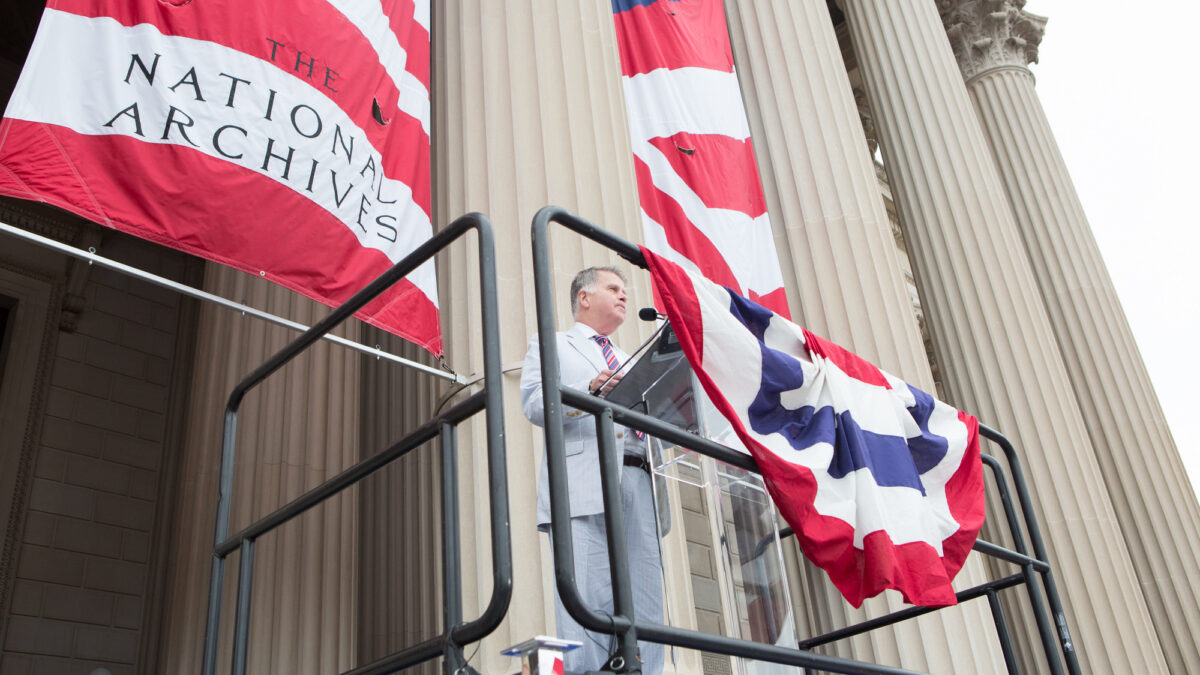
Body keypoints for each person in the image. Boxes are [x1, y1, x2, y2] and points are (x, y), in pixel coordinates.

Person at [520, 266, 664, 674]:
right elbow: (533, 403)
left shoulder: (631, 359)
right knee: (588, 593)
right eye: (614, 288)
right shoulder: (552, 344)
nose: (624, 296)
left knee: (647, 597)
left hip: (639, 481)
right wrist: (588, 394)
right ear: (584, 296)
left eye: (625, 290)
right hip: (583, 485)